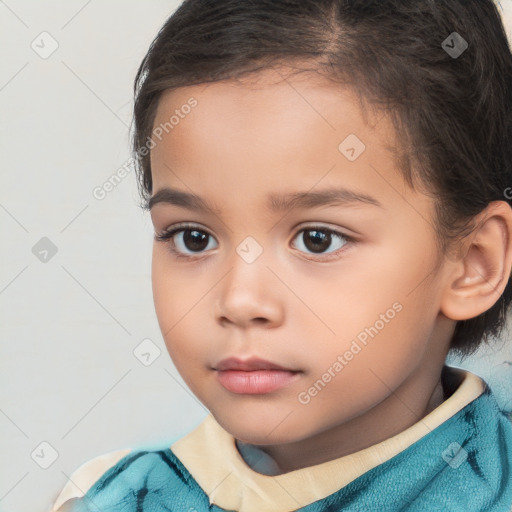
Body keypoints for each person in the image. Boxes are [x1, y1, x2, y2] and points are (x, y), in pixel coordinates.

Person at [49, 0, 512, 510]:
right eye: (193, 237)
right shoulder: (106, 499)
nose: (241, 300)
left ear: (474, 263)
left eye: (318, 239)